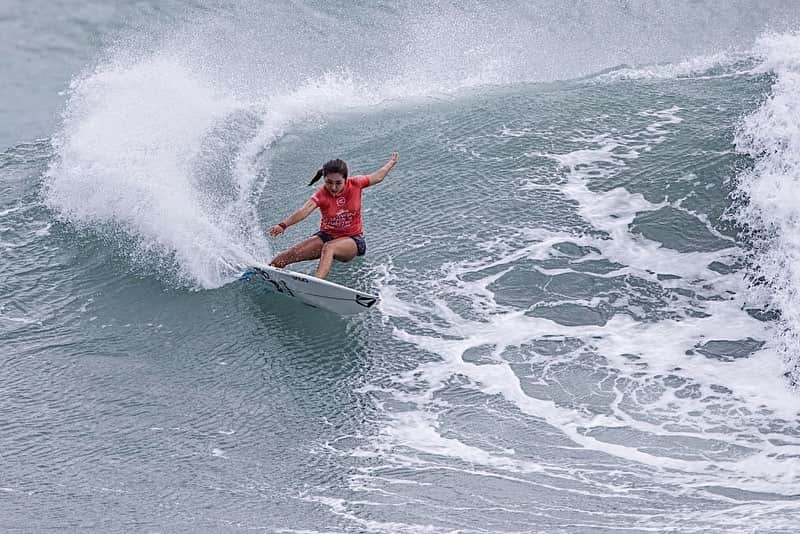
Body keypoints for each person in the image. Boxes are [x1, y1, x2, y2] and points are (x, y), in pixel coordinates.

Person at [268, 152, 399, 279]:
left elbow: (377, 177)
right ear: (324, 179)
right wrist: (283, 225)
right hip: (327, 236)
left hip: (353, 240)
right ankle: (266, 277)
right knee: (283, 258)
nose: (333, 187)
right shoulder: (321, 195)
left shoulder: (356, 183)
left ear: (345, 179)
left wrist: (391, 163)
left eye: (338, 183)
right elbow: (304, 211)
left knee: (329, 247)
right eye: (329, 182)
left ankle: (316, 284)